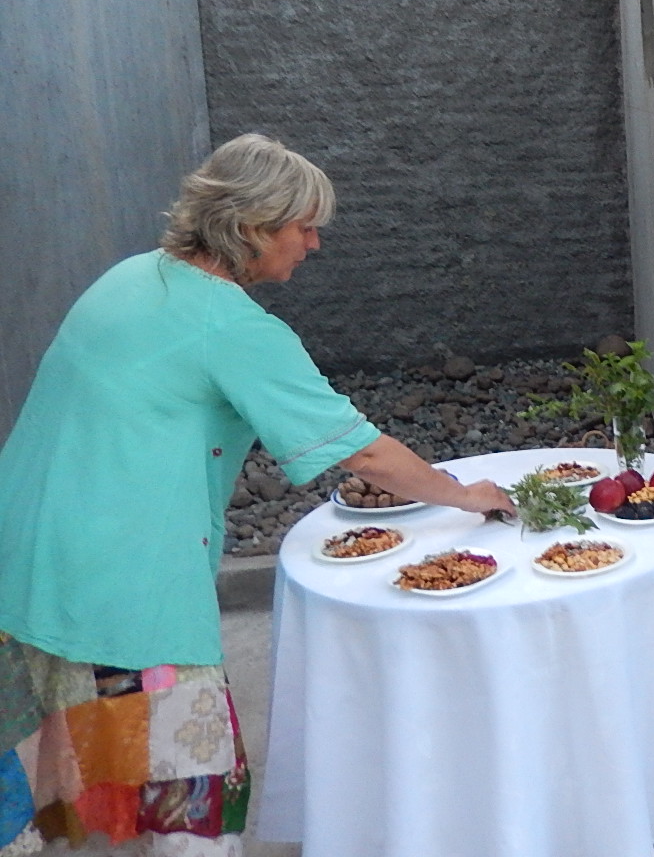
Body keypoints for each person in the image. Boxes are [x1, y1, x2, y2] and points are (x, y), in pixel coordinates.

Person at [0, 134, 513, 856]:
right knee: (190, 793)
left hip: (21, 555)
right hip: (123, 580)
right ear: (249, 228)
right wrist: (463, 495)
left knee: (40, 760)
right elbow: (364, 452)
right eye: (303, 226)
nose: (314, 243)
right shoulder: (233, 326)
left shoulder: (129, 276)